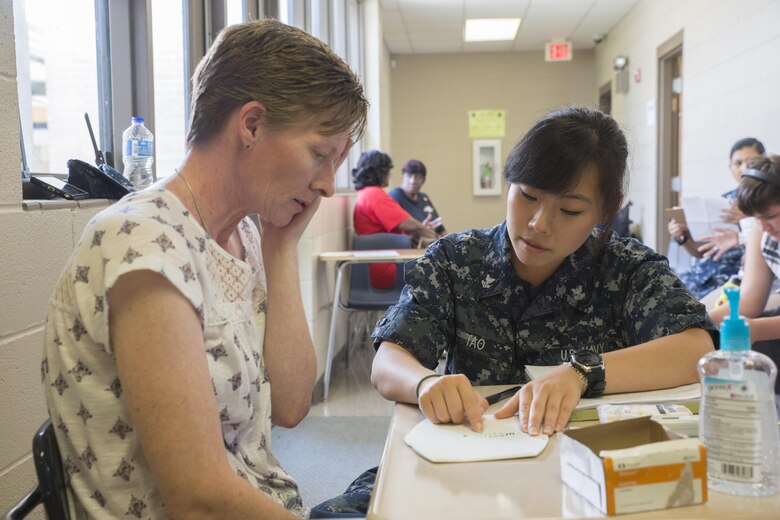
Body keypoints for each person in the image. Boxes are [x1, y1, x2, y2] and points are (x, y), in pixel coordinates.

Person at [40, 20, 367, 519]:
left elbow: (293, 405)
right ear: (251, 125)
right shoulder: (144, 242)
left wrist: (282, 248)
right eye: (319, 154)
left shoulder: (247, 235)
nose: (326, 185)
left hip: (266, 502)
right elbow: (199, 500)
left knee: (392, 484)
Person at [370, 106, 717, 436]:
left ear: (606, 209)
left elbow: (698, 348)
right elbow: (389, 361)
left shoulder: (627, 268)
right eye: (528, 196)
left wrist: (582, 373)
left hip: (583, 459)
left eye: (569, 210)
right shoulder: (455, 260)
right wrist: (426, 383)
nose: (539, 224)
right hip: (472, 449)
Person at [709, 154, 780, 392]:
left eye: (770, 216)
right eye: (757, 219)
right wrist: (701, 321)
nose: (764, 226)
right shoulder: (764, 233)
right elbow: (750, 300)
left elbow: (756, 324)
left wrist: (756, 329)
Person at [668, 138, 765, 299]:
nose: (744, 167)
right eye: (738, 163)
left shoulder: (769, 201)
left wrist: (749, 218)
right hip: (700, 277)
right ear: (731, 168)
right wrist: (682, 238)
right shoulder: (724, 202)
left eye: (751, 161)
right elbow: (703, 252)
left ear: (763, 161)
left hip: (734, 280)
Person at [352, 150, 438, 289]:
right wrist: (432, 235)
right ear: (380, 172)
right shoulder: (374, 194)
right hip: (386, 267)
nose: (390, 175)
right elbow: (408, 223)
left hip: (380, 263)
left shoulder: (365, 193)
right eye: (387, 170)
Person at [388, 159, 447, 235]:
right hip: (411, 243)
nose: (412, 181)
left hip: (431, 240)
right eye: (408, 176)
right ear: (403, 177)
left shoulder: (424, 197)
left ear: (423, 180)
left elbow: (440, 228)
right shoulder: (394, 196)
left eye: (417, 177)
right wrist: (423, 229)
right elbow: (397, 229)